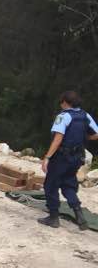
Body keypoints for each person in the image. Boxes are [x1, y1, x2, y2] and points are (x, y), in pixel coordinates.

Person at [38, 91, 98, 229]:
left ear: (65, 102)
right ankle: (79, 214)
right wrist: (85, 138)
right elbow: (96, 134)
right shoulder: (85, 115)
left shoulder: (63, 116)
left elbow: (58, 138)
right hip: (77, 157)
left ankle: (53, 217)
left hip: (61, 157)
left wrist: (47, 157)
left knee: (51, 184)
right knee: (68, 184)